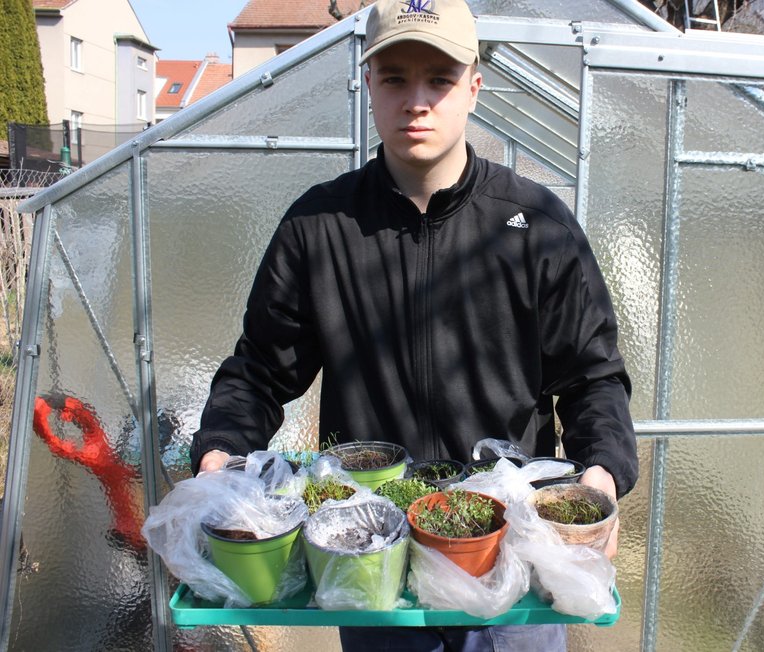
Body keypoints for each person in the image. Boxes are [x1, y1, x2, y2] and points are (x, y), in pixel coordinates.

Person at [190, 0, 638, 649]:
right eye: (395, 77)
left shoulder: (537, 227)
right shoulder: (319, 229)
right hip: (374, 563)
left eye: (440, 79)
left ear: (474, 87)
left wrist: (600, 472)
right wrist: (218, 453)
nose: (417, 101)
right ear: (368, 84)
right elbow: (260, 370)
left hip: (509, 565)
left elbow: (593, 377)